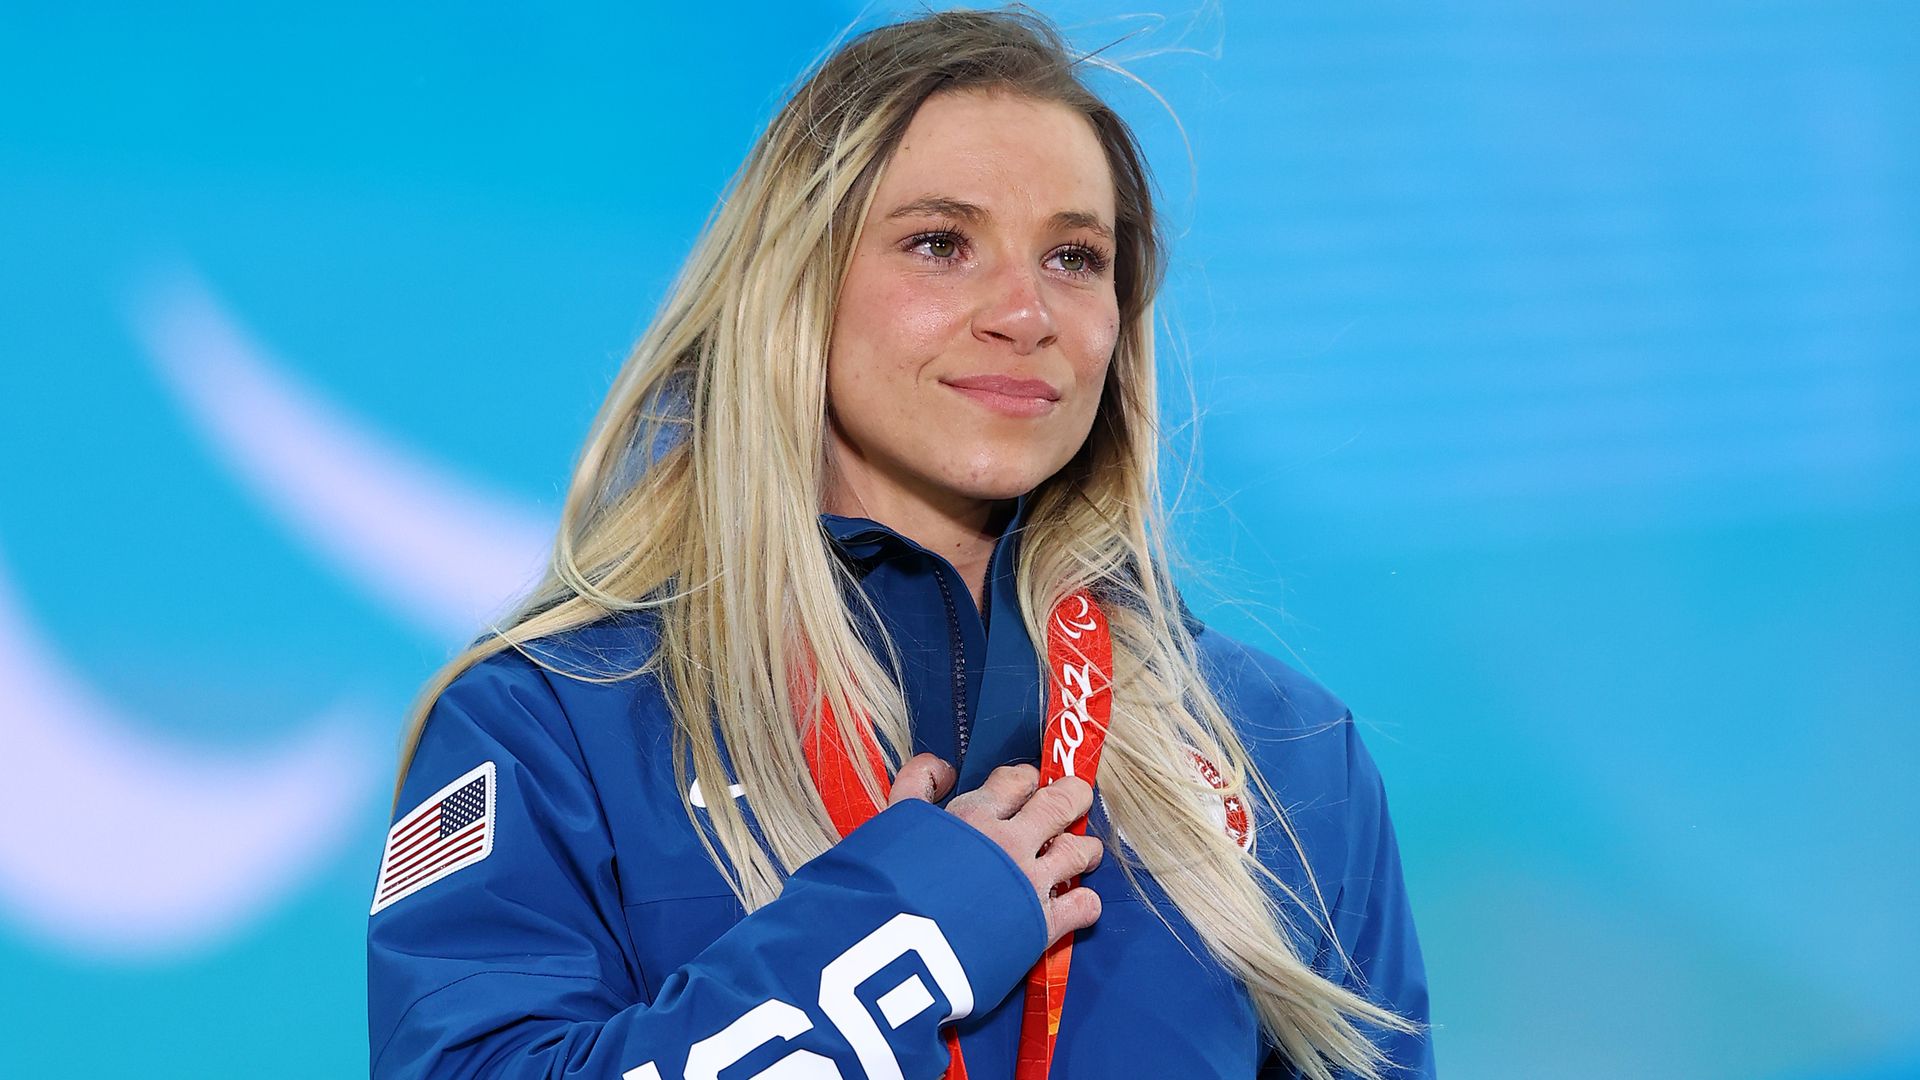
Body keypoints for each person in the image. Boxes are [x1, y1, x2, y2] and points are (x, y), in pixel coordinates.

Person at [366, 8, 1433, 1079]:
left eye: (1074, 257)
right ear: (796, 284)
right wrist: (903, 933)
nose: (1025, 314)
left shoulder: (1281, 752)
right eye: (940, 244)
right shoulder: (556, 722)